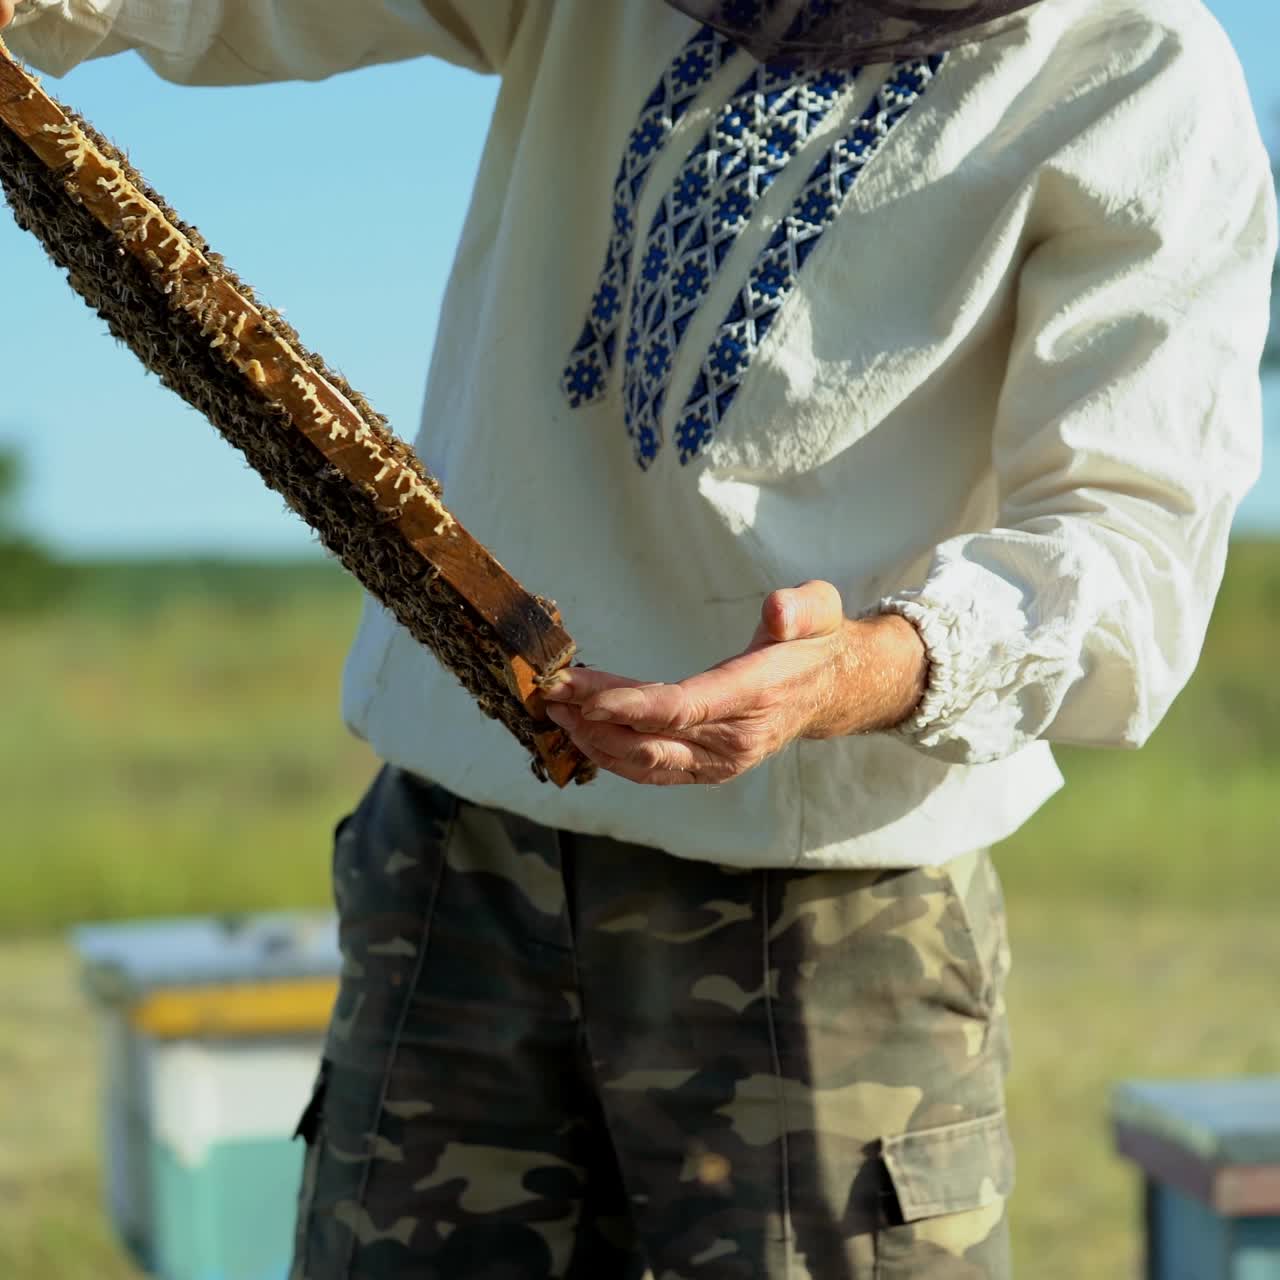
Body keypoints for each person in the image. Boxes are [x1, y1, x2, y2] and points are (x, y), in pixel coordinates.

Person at [3, 1, 1275, 1275]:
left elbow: (1129, 544)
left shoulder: (1138, 66)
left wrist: (864, 667)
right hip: (459, 858)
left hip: (828, 912)